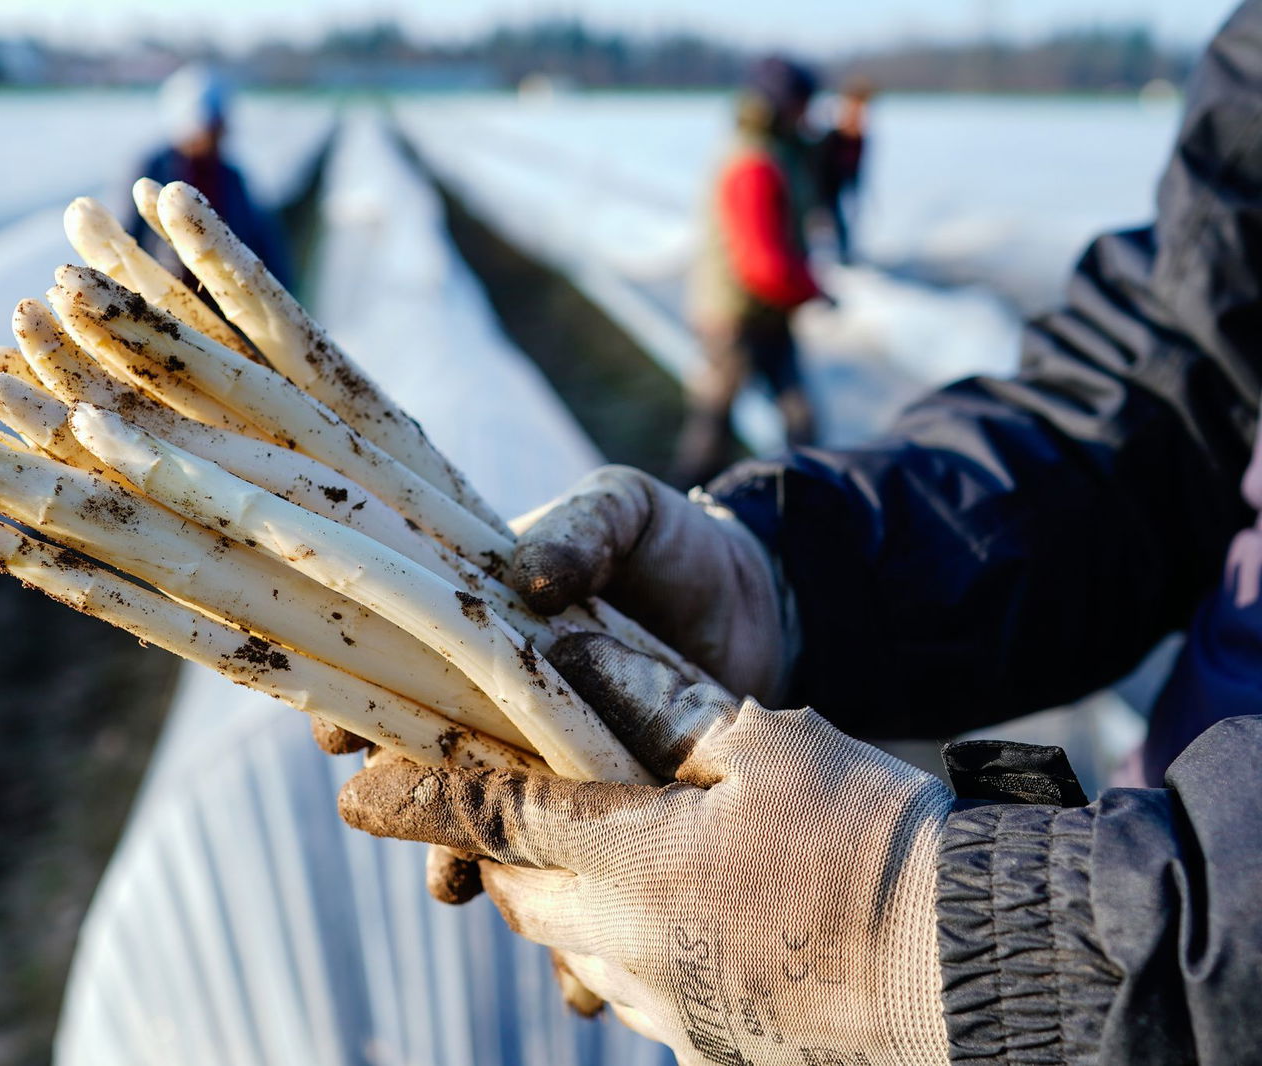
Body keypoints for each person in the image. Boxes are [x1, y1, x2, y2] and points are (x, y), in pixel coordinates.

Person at [336, 3, 1262, 1062]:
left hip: (1165, 956)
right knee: (731, 408)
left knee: (739, 402)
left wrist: (1046, 952)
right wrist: (792, 576)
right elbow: (1168, 398)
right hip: (1155, 842)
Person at [676, 57, 826, 487]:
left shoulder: (776, 152)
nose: (810, 114)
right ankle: (675, 522)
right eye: (804, 103)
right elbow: (763, 264)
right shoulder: (754, 163)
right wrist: (812, 288)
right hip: (736, 318)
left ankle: (810, 506)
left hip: (764, 313)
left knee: (800, 420)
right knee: (712, 429)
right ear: (783, 105)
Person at [125, 64, 294, 292]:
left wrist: (283, 288)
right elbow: (127, 235)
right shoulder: (153, 168)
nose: (215, 139)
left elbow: (261, 238)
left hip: (222, 296)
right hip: (167, 295)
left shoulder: (231, 177)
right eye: (209, 130)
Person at [813, 77, 873, 265]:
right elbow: (819, 167)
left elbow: (857, 164)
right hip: (826, 185)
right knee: (830, 222)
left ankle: (843, 258)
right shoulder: (832, 138)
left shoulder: (859, 137)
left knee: (843, 222)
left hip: (843, 183)